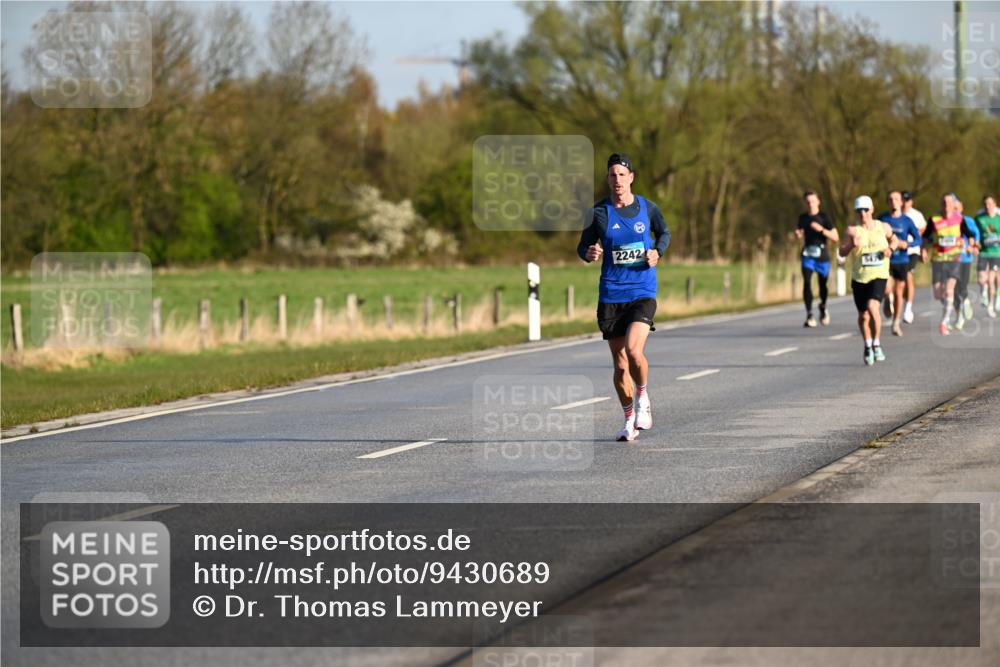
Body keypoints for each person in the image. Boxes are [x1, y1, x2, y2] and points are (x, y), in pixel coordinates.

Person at [578, 153, 670, 442]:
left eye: (622, 174)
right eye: (612, 175)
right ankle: (629, 419)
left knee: (633, 350)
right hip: (611, 294)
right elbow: (582, 246)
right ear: (607, 179)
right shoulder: (598, 213)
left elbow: (664, 232)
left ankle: (643, 398)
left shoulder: (647, 207)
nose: (617, 180)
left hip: (642, 291)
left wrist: (657, 252)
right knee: (619, 365)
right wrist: (589, 253)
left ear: (631, 177)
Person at [840, 195, 898, 366]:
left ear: (872, 209)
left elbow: (894, 240)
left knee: (873, 307)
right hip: (859, 278)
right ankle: (867, 345)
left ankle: (877, 343)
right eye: (859, 211)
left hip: (879, 275)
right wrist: (851, 245)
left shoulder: (883, 227)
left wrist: (890, 249)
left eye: (865, 210)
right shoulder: (852, 230)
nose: (863, 213)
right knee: (863, 316)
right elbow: (842, 252)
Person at [923, 193, 967, 336]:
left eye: (949, 202)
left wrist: (970, 242)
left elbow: (968, 234)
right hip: (938, 260)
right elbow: (926, 237)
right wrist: (924, 249)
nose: (946, 205)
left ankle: (944, 321)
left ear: (954, 204)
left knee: (949, 289)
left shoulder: (959, 219)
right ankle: (952, 306)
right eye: (943, 202)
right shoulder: (934, 220)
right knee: (937, 293)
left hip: (954, 259)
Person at [877, 191, 920, 336]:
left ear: (901, 202)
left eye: (896, 199)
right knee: (886, 289)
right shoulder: (882, 219)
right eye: (890, 199)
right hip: (886, 260)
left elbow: (918, 239)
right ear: (887, 202)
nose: (893, 201)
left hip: (902, 260)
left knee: (898, 292)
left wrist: (907, 244)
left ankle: (896, 322)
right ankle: (886, 300)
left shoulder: (907, 221)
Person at [794, 191, 838, 327]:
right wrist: (798, 234)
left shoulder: (824, 217)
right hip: (808, 253)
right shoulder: (803, 217)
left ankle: (823, 307)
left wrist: (821, 230)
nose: (810, 204)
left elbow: (835, 237)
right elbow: (800, 232)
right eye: (807, 202)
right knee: (807, 281)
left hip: (822, 254)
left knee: (822, 284)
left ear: (818, 202)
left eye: (812, 201)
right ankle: (809, 315)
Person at [952, 197, 980, 330]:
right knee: (952, 290)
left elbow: (976, 236)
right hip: (949, 260)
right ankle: (959, 317)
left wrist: (973, 246)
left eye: (957, 208)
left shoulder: (968, 221)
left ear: (961, 208)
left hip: (965, 259)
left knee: (961, 287)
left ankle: (966, 299)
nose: (955, 211)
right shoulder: (948, 222)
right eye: (953, 208)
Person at [900, 192, 926, 324]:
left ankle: (908, 308)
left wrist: (923, 249)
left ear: (911, 202)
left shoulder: (916, 215)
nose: (904, 203)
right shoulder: (894, 214)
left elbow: (922, 231)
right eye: (902, 200)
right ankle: (898, 300)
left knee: (908, 275)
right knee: (900, 282)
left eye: (907, 200)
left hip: (912, 250)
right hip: (897, 252)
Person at [975, 194, 1000, 318]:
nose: (988, 206)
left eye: (990, 204)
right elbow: (975, 233)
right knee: (981, 279)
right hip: (983, 252)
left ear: (995, 205)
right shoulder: (980, 218)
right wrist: (975, 243)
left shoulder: (999, 218)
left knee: (991, 280)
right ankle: (983, 293)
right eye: (985, 204)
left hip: (996, 252)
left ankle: (991, 305)